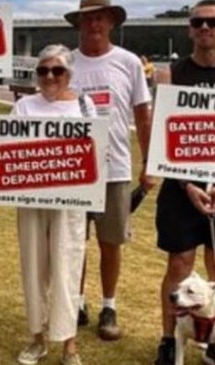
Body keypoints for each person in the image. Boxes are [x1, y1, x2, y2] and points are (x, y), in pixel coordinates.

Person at [64, 0, 153, 340]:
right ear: (79, 24)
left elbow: (143, 115)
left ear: (111, 22)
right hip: (74, 170)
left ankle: (109, 304)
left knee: (110, 242)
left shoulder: (128, 62)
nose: (93, 24)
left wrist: (148, 162)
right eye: (87, 19)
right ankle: (78, 301)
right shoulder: (66, 63)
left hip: (114, 167)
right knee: (75, 241)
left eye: (99, 18)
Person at [12, 45, 97, 365]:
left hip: (70, 202)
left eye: (57, 70)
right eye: (43, 70)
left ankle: (69, 344)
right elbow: (8, 150)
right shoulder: (23, 107)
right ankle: (36, 338)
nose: (50, 76)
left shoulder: (84, 106)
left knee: (67, 268)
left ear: (69, 74)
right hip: (31, 201)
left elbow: (94, 151)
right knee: (33, 268)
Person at [153, 2, 215, 364]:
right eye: (198, 22)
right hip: (181, 187)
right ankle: (168, 339)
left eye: (212, 22)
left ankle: (211, 341)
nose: (205, 27)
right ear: (190, 28)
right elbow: (163, 137)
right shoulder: (171, 74)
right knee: (180, 266)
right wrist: (187, 184)